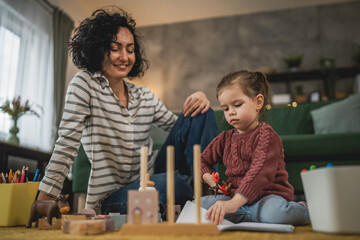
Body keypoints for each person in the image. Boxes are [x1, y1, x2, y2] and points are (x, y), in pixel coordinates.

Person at [37, 7, 216, 215]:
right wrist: (46, 196)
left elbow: (183, 127)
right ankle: (194, 202)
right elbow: (67, 143)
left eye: (130, 50)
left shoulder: (144, 95)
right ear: (98, 49)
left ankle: (212, 194)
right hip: (115, 195)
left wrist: (200, 97)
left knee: (202, 113)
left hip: (153, 175)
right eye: (116, 48)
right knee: (171, 183)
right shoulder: (84, 84)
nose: (125, 56)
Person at [200, 70, 310, 225]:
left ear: (258, 102)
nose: (231, 112)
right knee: (199, 207)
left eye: (237, 105)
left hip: (266, 198)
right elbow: (201, 161)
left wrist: (233, 204)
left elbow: (259, 172)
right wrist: (211, 180)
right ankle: (249, 216)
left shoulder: (266, 135)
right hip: (235, 200)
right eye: (225, 108)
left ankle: (305, 210)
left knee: (276, 215)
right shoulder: (225, 138)